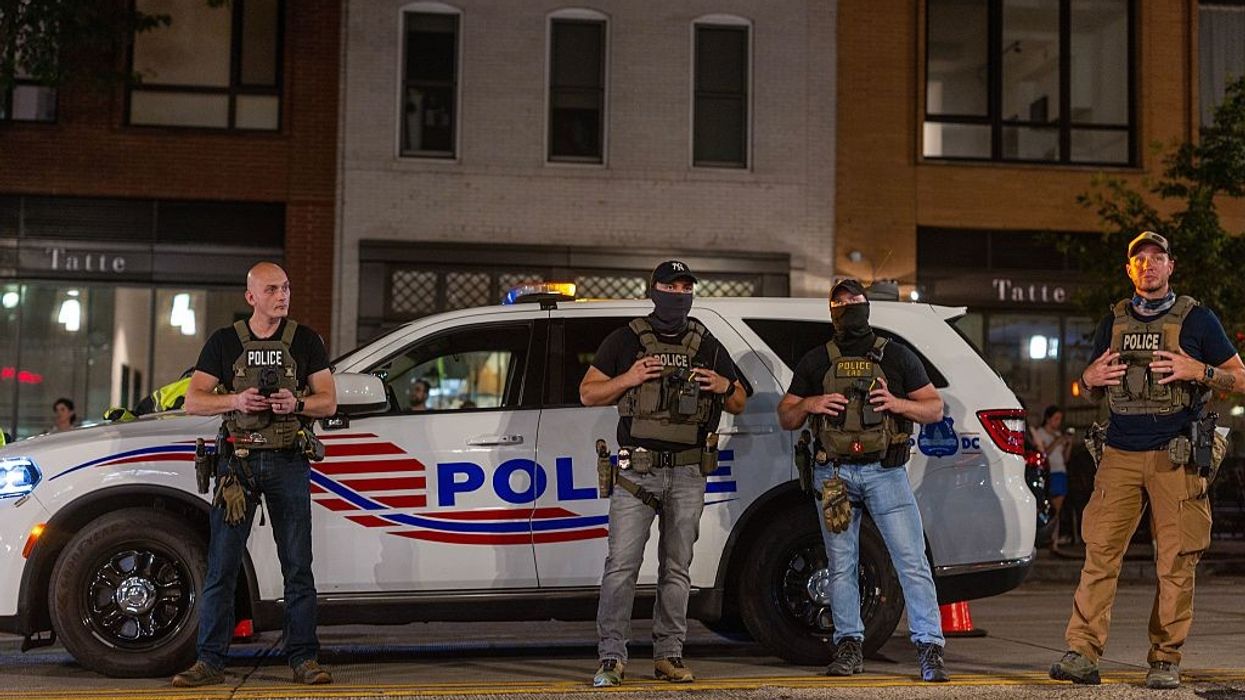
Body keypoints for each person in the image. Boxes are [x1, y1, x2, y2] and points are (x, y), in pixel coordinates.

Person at [1050, 231, 1245, 690]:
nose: (1150, 265)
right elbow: (1093, 380)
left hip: (1174, 456)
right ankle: (1082, 652)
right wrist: (1087, 377)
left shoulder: (1197, 320)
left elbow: (1240, 377)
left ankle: (1164, 658)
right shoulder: (1113, 319)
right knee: (1099, 556)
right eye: (1141, 260)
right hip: (1118, 453)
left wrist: (1199, 371)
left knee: (1175, 563)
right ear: (1130, 270)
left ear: (1171, 266)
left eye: (1158, 258)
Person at [581, 260, 746, 687]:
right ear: (653, 289)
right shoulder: (625, 339)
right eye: (670, 285)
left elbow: (741, 399)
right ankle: (611, 658)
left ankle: (669, 655)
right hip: (637, 472)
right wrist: (628, 377)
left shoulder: (706, 343)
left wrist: (723, 386)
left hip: (689, 471)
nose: (678, 292)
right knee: (621, 567)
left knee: (677, 568)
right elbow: (588, 392)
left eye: (685, 285)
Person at [171, 262, 337, 688]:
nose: (282, 296)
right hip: (237, 466)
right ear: (251, 297)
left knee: (298, 567)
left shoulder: (306, 340)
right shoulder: (225, 342)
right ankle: (208, 661)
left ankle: (304, 660)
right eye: (271, 289)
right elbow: (193, 401)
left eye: (285, 287)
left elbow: (328, 402)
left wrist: (295, 405)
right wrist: (235, 398)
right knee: (222, 567)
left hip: (287, 462)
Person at [777, 278, 950, 682]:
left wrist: (896, 404)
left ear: (867, 305)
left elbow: (935, 409)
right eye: (840, 301)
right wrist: (811, 403)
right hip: (833, 474)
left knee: (912, 561)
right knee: (841, 565)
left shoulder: (897, 356)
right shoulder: (816, 360)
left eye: (855, 299)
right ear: (831, 309)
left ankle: (930, 648)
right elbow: (786, 415)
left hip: (885, 473)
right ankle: (848, 646)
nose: (848, 305)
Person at [1031, 405, 1073, 553]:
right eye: (1055, 419)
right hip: (1048, 472)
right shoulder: (1040, 433)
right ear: (1048, 418)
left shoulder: (1058, 434)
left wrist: (1068, 444)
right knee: (1046, 507)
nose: (1058, 422)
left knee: (1057, 510)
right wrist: (1056, 442)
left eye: (1060, 419)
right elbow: (1044, 453)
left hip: (1060, 471)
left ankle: (1054, 542)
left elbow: (1065, 458)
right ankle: (1043, 539)